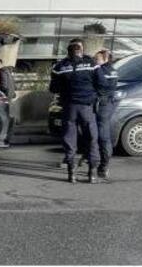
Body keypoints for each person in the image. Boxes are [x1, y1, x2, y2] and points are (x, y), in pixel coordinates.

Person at [49, 38, 101, 184]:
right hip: (87, 107)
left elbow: (53, 88)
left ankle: (71, 173)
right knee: (91, 138)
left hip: (69, 108)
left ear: (68, 51)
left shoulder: (59, 66)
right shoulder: (91, 64)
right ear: (81, 50)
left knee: (69, 139)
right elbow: (100, 82)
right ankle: (92, 174)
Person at [93, 49, 118, 180]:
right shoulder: (111, 70)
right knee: (98, 134)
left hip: (102, 105)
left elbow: (102, 85)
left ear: (106, 59)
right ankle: (98, 162)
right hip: (106, 104)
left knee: (102, 135)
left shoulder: (103, 71)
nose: (94, 61)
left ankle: (103, 165)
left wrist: (96, 69)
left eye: (97, 59)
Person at [0, 58, 17, 148]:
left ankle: (2, 141)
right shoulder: (8, 72)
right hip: (10, 98)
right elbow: (13, 86)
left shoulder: (2, 72)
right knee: (10, 120)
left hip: (5, 99)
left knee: (4, 120)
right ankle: (6, 140)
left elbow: (3, 86)